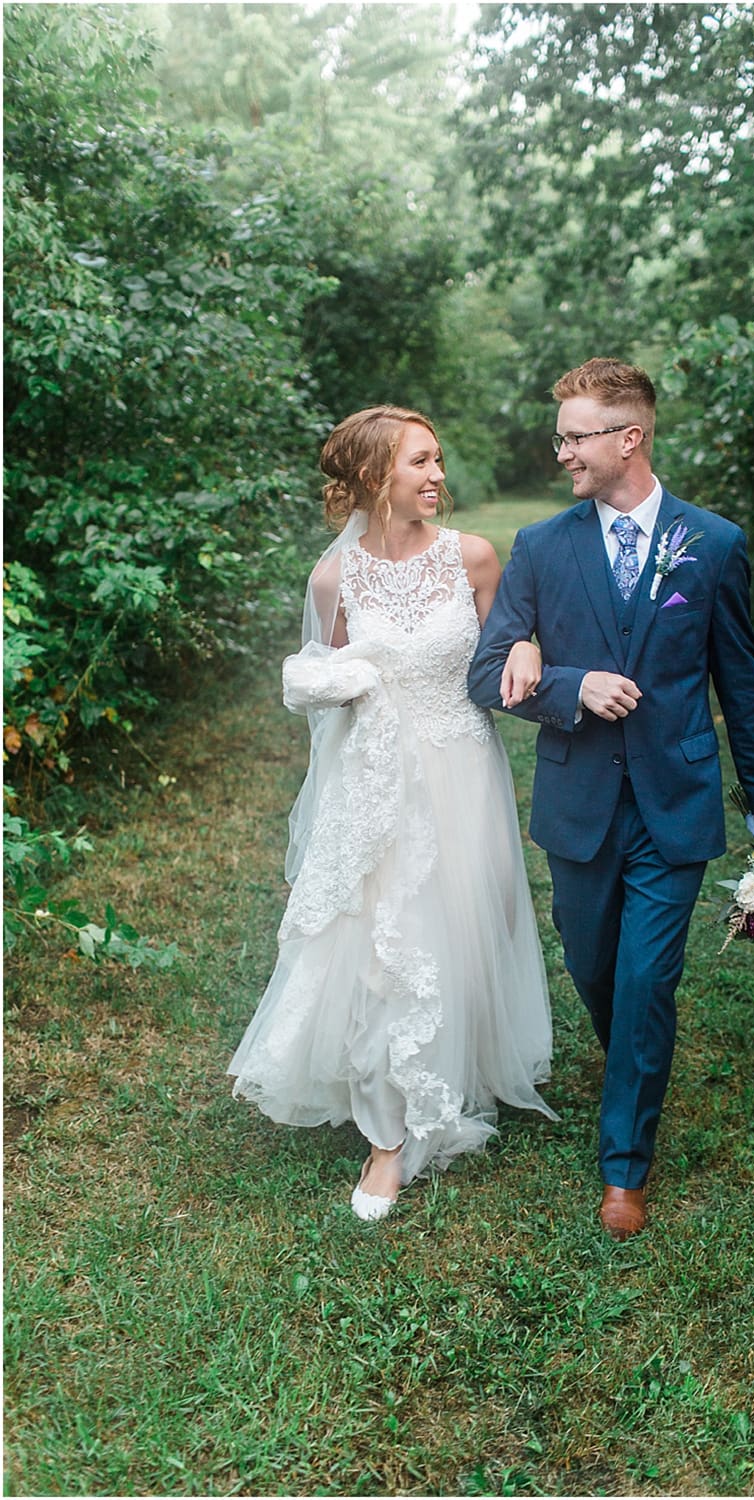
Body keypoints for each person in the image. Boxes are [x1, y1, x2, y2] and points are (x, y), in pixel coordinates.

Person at [467, 358, 754, 1241]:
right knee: (595, 969)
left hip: (673, 797)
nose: (562, 450)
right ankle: (636, 1064)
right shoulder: (541, 547)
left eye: (575, 436)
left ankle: (624, 1166)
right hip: (579, 802)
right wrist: (566, 681)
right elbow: (482, 674)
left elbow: (740, 680)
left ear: (629, 437)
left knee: (649, 978)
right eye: (562, 435)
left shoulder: (713, 544)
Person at [230, 406, 556, 1221]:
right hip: (373, 782)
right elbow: (321, 688)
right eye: (421, 461)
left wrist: (527, 648)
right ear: (376, 476)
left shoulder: (475, 558)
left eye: (439, 459)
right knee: (383, 943)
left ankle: (455, 1069)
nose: (439, 474)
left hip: (461, 767)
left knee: (458, 922)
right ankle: (388, 1136)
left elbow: (507, 654)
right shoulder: (332, 579)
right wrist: (330, 683)